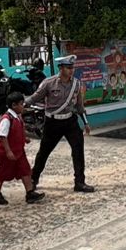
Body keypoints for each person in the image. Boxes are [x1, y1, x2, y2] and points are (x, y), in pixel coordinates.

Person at [28, 54, 94, 192]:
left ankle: (80, 182)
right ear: (61, 68)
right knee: (44, 152)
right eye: (68, 67)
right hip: (53, 122)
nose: (71, 70)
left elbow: (79, 106)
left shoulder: (76, 84)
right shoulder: (49, 83)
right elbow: (34, 98)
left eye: (72, 67)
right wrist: (19, 106)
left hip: (70, 121)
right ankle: (33, 179)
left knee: (78, 151)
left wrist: (86, 123)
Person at [0, 91, 45, 206]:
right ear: (14, 105)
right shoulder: (6, 119)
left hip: (18, 151)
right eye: (21, 104)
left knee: (25, 170)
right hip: (7, 153)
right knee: (2, 173)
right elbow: (2, 136)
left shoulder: (18, 117)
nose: (23, 106)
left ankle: (30, 193)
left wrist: (24, 138)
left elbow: (18, 131)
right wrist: (8, 151)